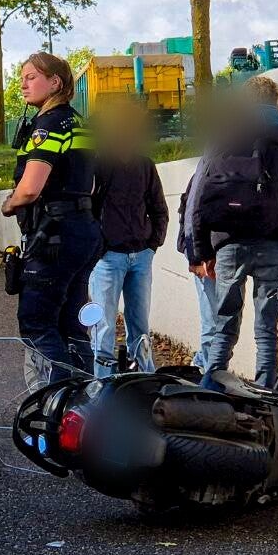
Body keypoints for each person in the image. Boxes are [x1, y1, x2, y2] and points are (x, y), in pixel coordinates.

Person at [187, 97, 278, 389]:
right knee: (267, 331)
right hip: (272, 245)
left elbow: (199, 201)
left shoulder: (221, 143)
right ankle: (265, 397)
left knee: (224, 328)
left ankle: (210, 394)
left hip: (229, 247)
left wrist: (204, 252)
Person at [1, 52, 100, 374]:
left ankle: (56, 399)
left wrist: (10, 204)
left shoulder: (49, 124)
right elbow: (91, 183)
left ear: (55, 82)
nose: (23, 85)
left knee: (37, 324)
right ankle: (86, 396)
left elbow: (31, 188)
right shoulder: (78, 122)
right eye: (22, 78)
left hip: (54, 236)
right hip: (82, 229)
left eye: (31, 77)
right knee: (72, 327)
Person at [89, 108, 168, 377]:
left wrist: (152, 245)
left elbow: (159, 208)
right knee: (103, 327)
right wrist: (100, 248)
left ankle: (143, 381)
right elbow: (89, 210)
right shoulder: (100, 166)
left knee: (140, 326)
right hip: (108, 258)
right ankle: (102, 384)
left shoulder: (145, 165)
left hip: (141, 256)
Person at [177, 170, 219, 372]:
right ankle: (208, 373)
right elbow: (189, 217)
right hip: (206, 259)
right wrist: (195, 258)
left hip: (225, 258)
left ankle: (203, 364)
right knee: (212, 323)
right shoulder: (203, 173)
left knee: (222, 324)